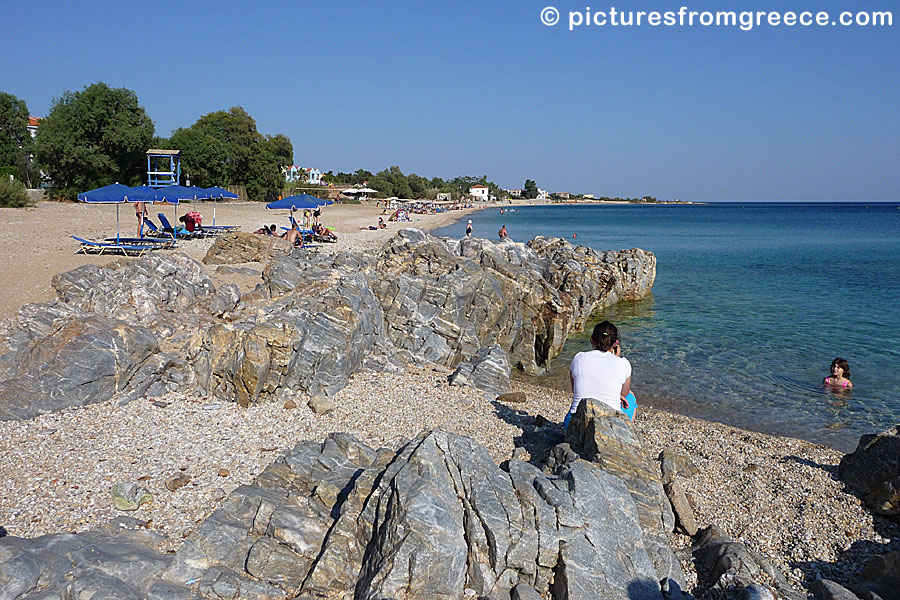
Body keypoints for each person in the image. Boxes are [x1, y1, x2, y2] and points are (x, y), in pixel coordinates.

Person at [566, 321, 636, 427]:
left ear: (592, 340)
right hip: (608, 426)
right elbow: (624, 393)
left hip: (573, 425)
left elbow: (575, 389)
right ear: (616, 343)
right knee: (630, 396)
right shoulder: (623, 363)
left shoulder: (578, 358)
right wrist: (616, 358)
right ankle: (625, 434)